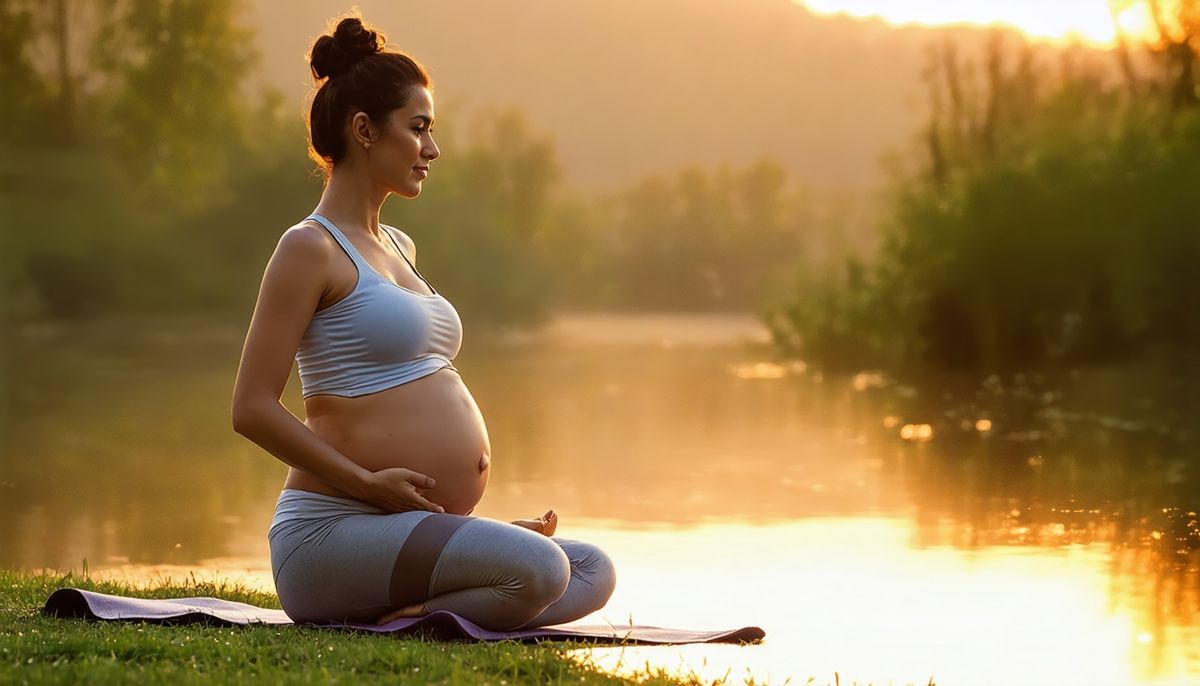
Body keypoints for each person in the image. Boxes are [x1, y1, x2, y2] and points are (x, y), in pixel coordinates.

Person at [230, 14, 616, 630]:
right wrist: (365, 484)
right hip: (332, 532)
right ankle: (429, 608)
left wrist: (462, 539)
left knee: (593, 568)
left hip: (404, 530)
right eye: (418, 130)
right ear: (363, 130)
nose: (432, 149)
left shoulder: (400, 245)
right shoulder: (310, 248)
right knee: (542, 572)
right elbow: (250, 407)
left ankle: (439, 597)